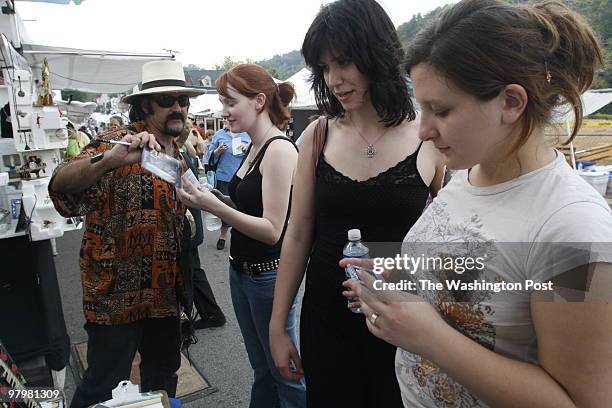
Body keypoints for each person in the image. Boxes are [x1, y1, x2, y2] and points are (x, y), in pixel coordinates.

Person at [341, 0, 612, 407]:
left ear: (511, 102)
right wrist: (402, 274)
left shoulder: (572, 230)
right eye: (422, 108)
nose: (424, 130)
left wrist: (428, 336)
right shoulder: (466, 174)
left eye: (442, 110)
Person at [269, 1, 445, 407]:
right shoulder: (317, 135)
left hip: (405, 324)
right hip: (327, 320)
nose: (334, 79)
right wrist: (279, 327)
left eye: (344, 62)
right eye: (325, 68)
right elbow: (297, 233)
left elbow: (442, 234)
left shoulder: (428, 136)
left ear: (377, 55)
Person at [49, 60, 204, 408]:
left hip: (164, 295)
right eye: (167, 100)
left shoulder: (176, 153)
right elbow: (58, 184)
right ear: (146, 105)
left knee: (163, 379)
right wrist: (107, 161)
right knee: (102, 387)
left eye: (183, 100)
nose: (178, 107)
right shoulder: (117, 141)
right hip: (115, 298)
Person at [177, 63, 306, 408]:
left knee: (286, 375)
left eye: (230, 102)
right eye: (223, 103)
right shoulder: (253, 145)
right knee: (262, 368)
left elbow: (272, 229)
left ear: (259, 101)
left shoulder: (279, 149)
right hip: (242, 272)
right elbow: (250, 204)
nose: (224, 112)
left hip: (269, 276)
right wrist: (213, 197)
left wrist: (215, 208)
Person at [179, 124, 227, 330]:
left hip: (187, 226)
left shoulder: (177, 156)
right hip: (191, 224)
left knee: (187, 275)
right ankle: (212, 314)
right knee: (193, 272)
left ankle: (186, 323)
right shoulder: (183, 154)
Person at [207, 118, 250, 250]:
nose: (227, 120)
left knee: (242, 207)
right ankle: (223, 235)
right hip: (223, 176)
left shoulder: (248, 134)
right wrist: (217, 152)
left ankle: (242, 234)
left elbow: (255, 155)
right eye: (225, 118)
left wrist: (247, 149)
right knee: (225, 206)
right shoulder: (219, 134)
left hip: (242, 176)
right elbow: (209, 157)